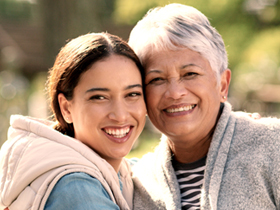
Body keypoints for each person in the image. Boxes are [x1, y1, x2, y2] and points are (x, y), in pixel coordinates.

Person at [128, 3, 280, 210]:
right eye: (156, 79)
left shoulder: (273, 146)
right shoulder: (137, 182)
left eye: (190, 74)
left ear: (223, 85)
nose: (175, 92)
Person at [0, 32, 146, 210]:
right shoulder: (77, 188)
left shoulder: (120, 172)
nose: (120, 115)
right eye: (99, 97)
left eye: (132, 94)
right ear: (66, 108)